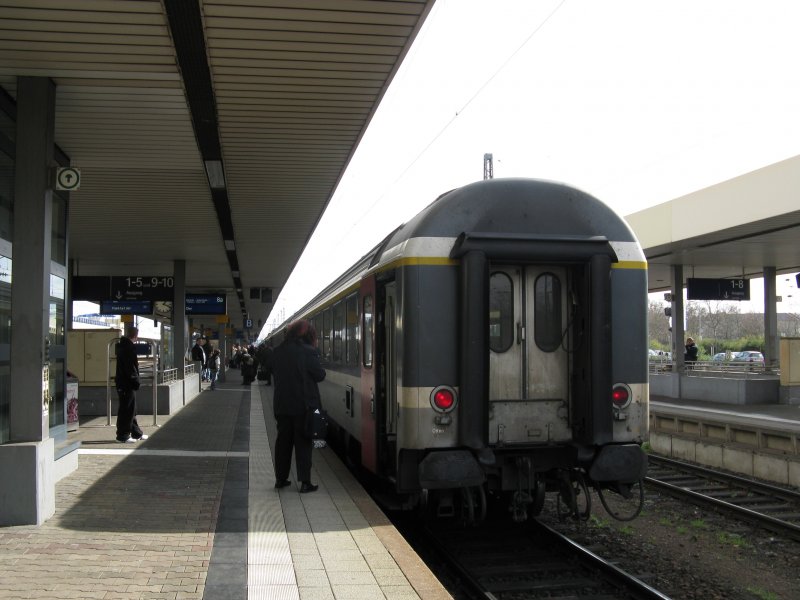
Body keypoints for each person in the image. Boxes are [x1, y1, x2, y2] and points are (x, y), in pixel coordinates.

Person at [272, 320, 326, 493]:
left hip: (282, 404)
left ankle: (281, 479)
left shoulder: (278, 351)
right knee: (303, 443)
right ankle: (305, 482)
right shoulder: (308, 351)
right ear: (308, 334)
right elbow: (320, 375)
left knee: (283, 442)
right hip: (303, 406)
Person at [115, 326, 148, 443]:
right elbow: (130, 367)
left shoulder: (123, 345)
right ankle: (122, 436)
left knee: (131, 409)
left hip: (124, 382)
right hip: (126, 383)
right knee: (126, 409)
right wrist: (135, 381)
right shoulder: (128, 347)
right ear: (135, 336)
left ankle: (136, 433)